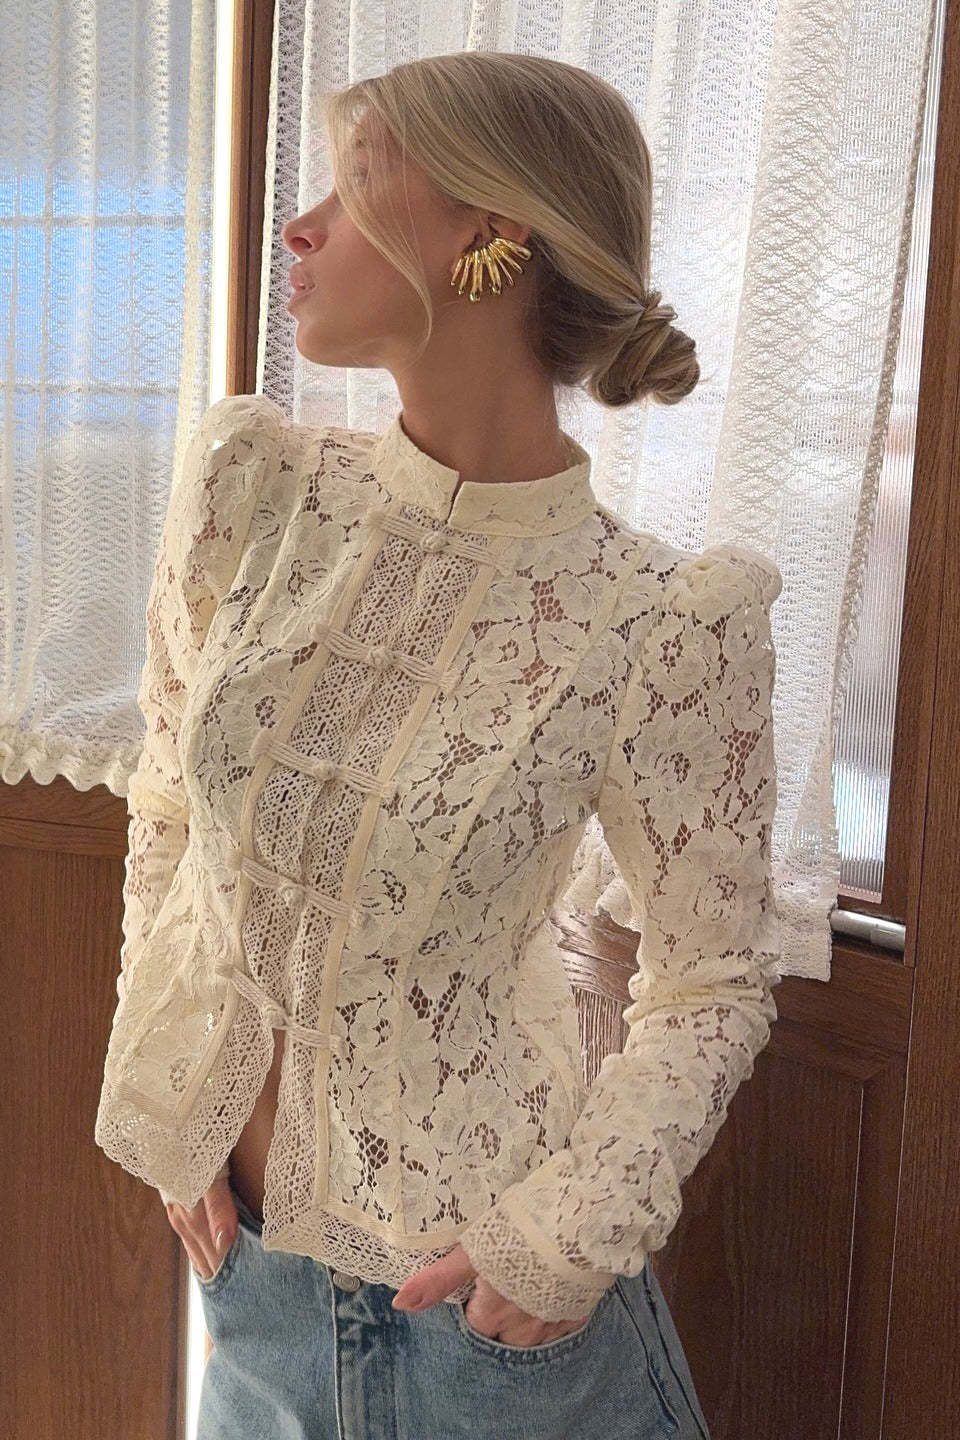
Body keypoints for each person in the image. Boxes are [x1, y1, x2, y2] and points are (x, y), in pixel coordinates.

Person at [96, 50, 783, 1439]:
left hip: (494, 1327)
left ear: (491, 232)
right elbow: (169, 805)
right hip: (253, 1290)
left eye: (354, 184)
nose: (302, 228)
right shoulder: (253, 487)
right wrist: (180, 1105)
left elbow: (713, 981)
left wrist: (562, 1238)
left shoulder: (661, 618)